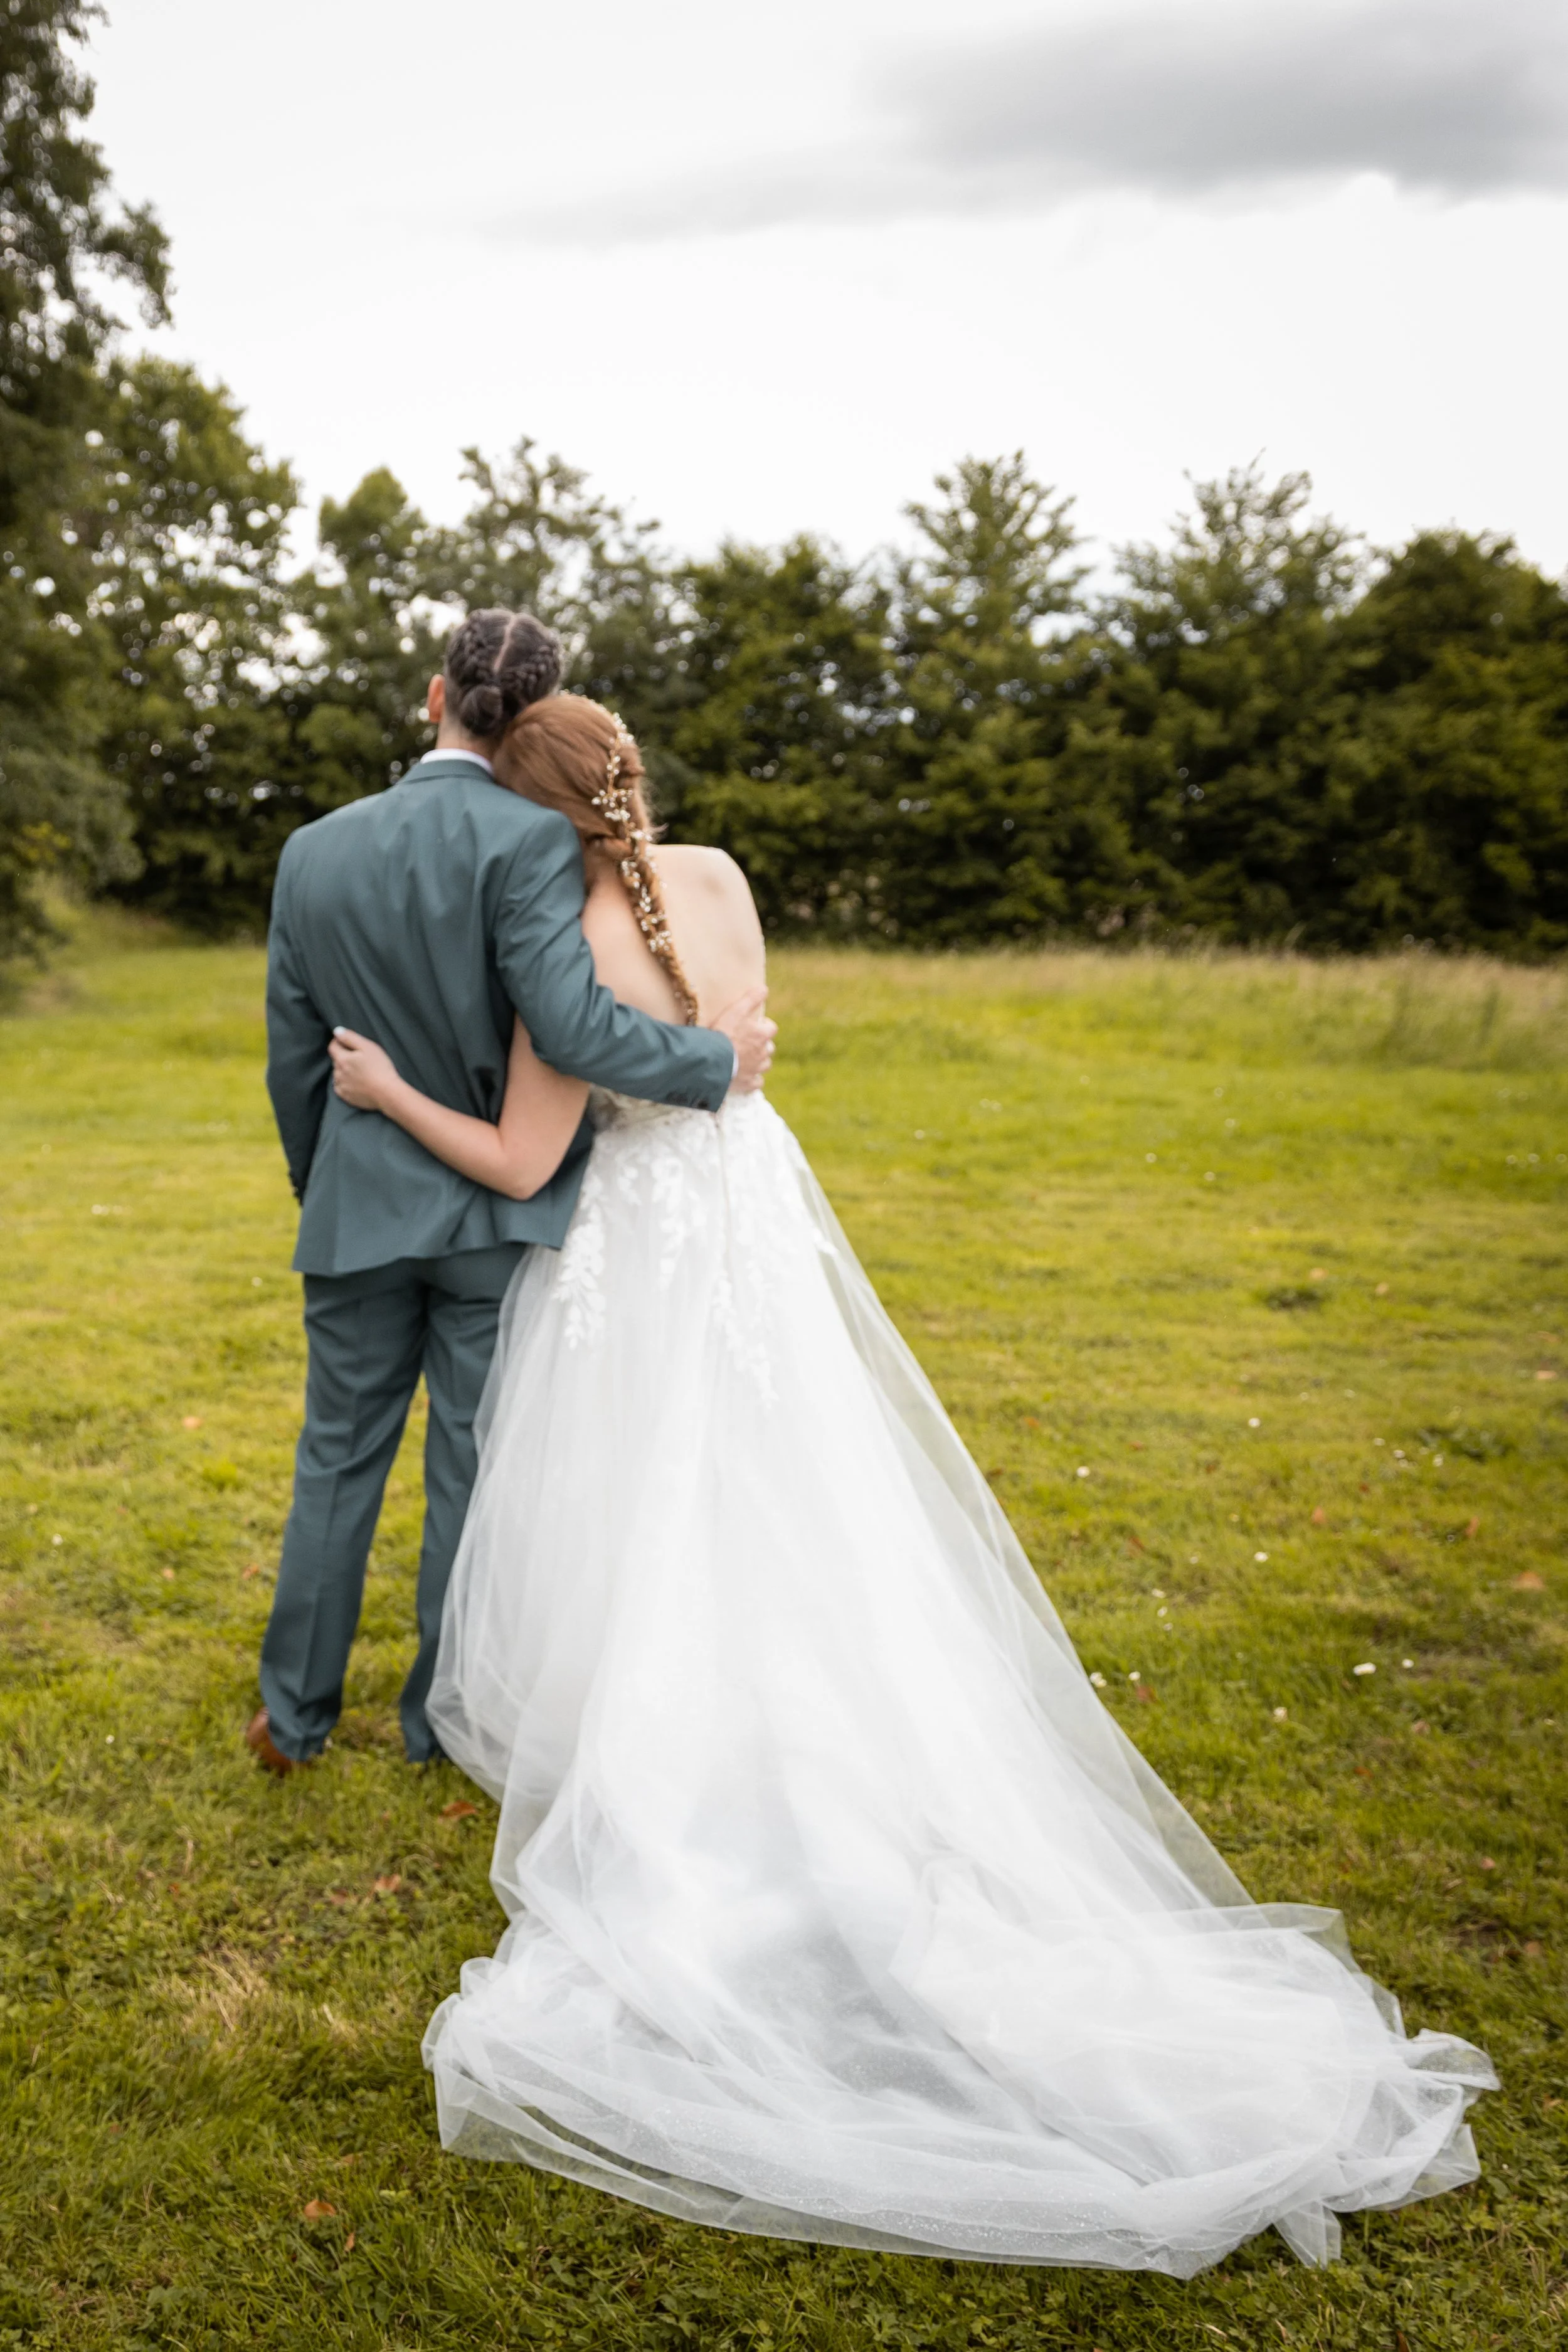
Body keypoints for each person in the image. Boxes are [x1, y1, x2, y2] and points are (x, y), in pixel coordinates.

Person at [327, 695, 1495, 2277]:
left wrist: (391, 1092)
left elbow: (529, 1164)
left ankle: (697, 1800)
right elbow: (738, 1057)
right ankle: (814, 1756)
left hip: (642, 1265)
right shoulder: (718, 878)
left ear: (529, 819)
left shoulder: (549, 938)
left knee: (647, 1530)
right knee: (792, 1510)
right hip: (750, 1231)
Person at [253, 614, 775, 1775]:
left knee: (335, 1459)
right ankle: (438, 1724)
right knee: (471, 1473)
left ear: (434, 695)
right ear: (532, 711)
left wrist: (320, 1180)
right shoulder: (538, 839)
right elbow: (575, 1024)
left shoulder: (312, 849)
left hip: (360, 1202)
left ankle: (292, 1719)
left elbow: (295, 1052)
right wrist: (712, 1063)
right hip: (496, 1212)